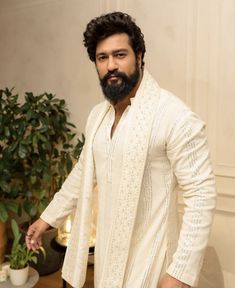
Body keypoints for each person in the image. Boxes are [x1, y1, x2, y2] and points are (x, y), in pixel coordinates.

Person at [26, 12, 216, 288]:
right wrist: (47, 219)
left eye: (120, 55)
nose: (111, 65)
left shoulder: (174, 116)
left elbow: (201, 195)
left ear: (139, 56)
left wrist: (179, 274)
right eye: (102, 58)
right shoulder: (97, 116)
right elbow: (83, 173)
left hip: (154, 259)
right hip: (109, 254)